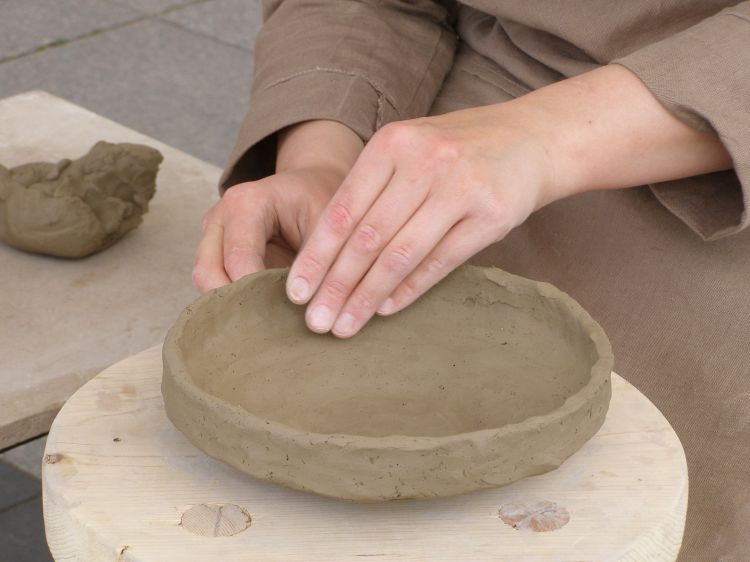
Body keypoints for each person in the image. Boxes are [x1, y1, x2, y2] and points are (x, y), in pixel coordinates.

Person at [193, 2, 750, 559]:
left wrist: (546, 138)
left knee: (641, 484)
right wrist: (323, 161)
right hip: (451, 107)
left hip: (714, 144)